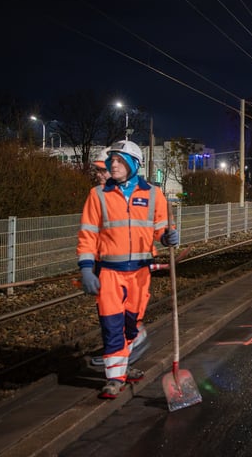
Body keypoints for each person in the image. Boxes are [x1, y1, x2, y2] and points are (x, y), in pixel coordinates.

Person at [77, 140, 179, 399]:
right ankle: (115, 379)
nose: (113, 165)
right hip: (109, 272)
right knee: (112, 324)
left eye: (119, 160)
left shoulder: (153, 194)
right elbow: (88, 234)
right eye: (112, 160)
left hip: (140, 273)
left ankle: (123, 364)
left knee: (132, 325)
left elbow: (161, 227)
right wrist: (86, 268)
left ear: (134, 164)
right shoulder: (98, 195)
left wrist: (167, 236)